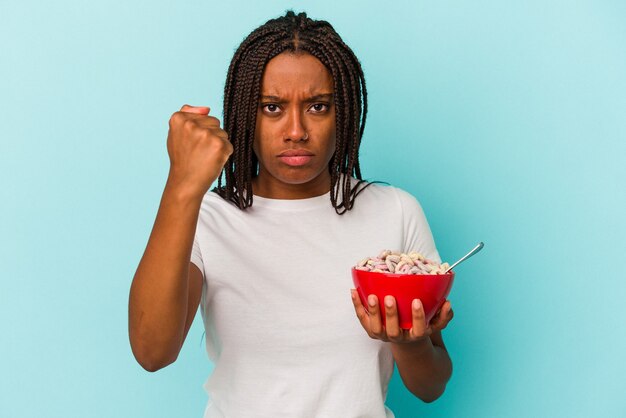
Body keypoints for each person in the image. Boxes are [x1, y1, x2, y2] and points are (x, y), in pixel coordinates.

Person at [128, 10, 454, 418]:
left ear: (345, 115)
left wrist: (408, 342)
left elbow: (431, 386)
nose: (296, 130)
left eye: (318, 107)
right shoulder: (207, 216)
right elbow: (152, 351)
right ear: (245, 114)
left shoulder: (395, 211)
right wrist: (182, 184)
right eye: (271, 108)